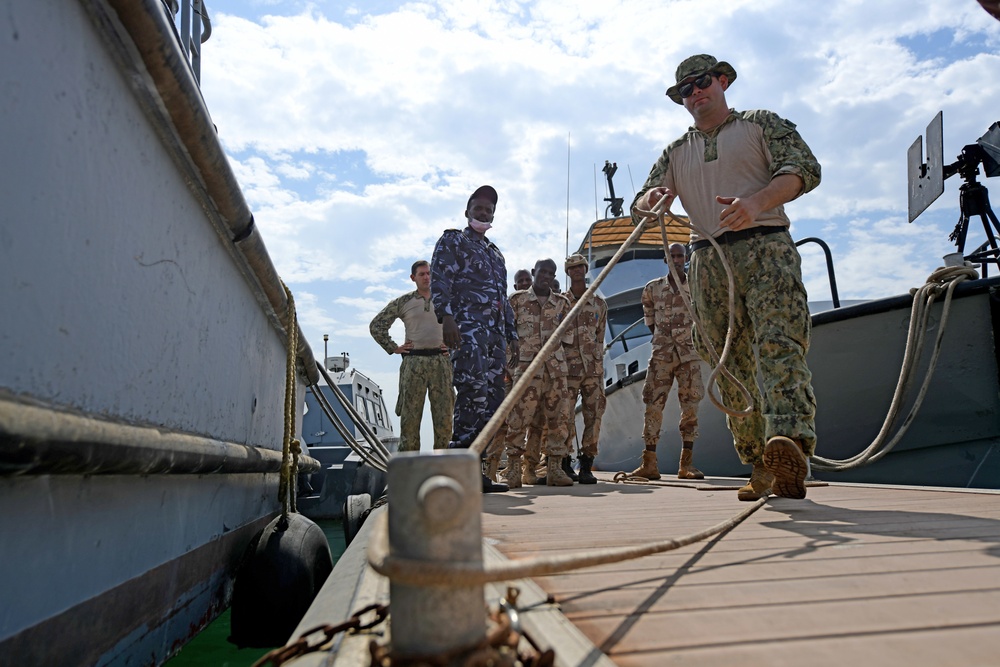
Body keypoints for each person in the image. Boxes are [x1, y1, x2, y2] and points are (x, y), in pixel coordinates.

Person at [631, 54, 821, 501]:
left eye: (701, 83)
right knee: (725, 362)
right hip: (707, 261)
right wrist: (651, 200)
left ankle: (790, 445)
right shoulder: (676, 152)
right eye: (685, 90)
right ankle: (760, 462)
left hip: (766, 247)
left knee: (779, 344)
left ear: (722, 81)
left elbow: (802, 170)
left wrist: (755, 203)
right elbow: (643, 199)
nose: (695, 93)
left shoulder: (760, 124)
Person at [431, 185, 518, 493]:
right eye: (479, 208)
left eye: (489, 210)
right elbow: (441, 278)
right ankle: (459, 472)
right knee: (472, 395)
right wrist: (447, 317)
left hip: (494, 338)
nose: (484, 213)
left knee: (492, 403)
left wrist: (512, 334)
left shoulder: (496, 254)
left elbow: (501, 297)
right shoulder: (453, 240)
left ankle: (477, 471)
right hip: (466, 330)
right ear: (467, 210)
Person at [630, 243, 704, 481]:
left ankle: (686, 465)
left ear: (686, 258)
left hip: (689, 355)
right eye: (671, 256)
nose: (676, 259)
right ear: (665, 259)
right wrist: (663, 339)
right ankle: (649, 463)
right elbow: (649, 319)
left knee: (690, 406)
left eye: (680, 255)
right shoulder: (652, 289)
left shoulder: (695, 285)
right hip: (662, 354)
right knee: (653, 405)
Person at [502, 258, 574, 488]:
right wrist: (508, 366)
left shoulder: (562, 303)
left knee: (558, 420)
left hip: (554, 372)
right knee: (518, 420)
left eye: (551, 273)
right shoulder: (516, 301)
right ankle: (513, 469)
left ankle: (553, 468)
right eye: (542, 272)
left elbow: (568, 338)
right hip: (525, 370)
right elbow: (504, 334)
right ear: (534, 272)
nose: (546, 276)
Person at [369, 260, 453, 452]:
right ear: (413, 278)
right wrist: (393, 347)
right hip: (414, 363)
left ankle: (444, 467)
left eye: (429, 273)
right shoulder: (404, 302)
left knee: (444, 420)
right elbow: (376, 326)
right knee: (410, 419)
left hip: (441, 362)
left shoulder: (447, 301)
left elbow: (465, 324)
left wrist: (454, 347)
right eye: (422, 274)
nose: (426, 277)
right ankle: (410, 467)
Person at [561, 253, 608, 485]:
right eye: (572, 267)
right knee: (564, 417)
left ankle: (587, 464)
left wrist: (597, 364)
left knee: (594, 416)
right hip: (567, 370)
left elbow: (600, 337)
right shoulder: (559, 303)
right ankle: (565, 463)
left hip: (592, 370)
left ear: (585, 269)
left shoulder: (599, 304)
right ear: (567, 272)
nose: (577, 270)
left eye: (580, 266)